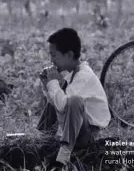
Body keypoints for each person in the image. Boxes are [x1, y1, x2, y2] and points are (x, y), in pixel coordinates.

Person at [36, 28, 111, 169]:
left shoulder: (84, 76)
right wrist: (47, 85)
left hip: (86, 135)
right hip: (74, 129)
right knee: (58, 92)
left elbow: (64, 105)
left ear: (69, 55)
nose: (51, 60)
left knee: (72, 100)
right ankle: (44, 138)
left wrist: (53, 84)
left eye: (54, 55)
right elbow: (55, 101)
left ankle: (65, 152)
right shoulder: (71, 74)